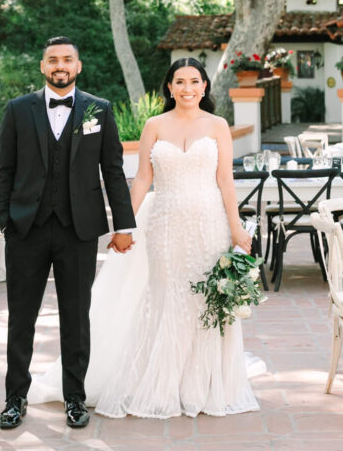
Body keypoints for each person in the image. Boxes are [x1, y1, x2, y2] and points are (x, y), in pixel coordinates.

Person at [30, 56, 261, 419]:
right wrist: (124, 224)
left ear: (205, 87)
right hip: (165, 225)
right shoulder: (154, 125)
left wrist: (236, 228)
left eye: (194, 81)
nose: (187, 88)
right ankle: (162, 384)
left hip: (209, 223)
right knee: (168, 297)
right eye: (180, 82)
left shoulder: (218, 125)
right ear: (169, 88)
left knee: (206, 300)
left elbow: (225, 181)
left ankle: (203, 385)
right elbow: (141, 179)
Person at [0, 36, 136, 431]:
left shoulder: (98, 110)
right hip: (26, 230)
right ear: (42, 66)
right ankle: (14, 398)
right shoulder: (19, 110)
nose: (60, 65)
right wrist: (8, 221)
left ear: (78, 65)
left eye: (67, 59)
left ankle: (75, 398)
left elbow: (113, 171)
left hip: (79, 230)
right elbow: (2, 170)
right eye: (53, 59)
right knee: (21, 317)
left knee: (76, 317)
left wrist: (123, 224)